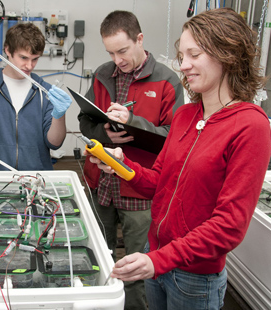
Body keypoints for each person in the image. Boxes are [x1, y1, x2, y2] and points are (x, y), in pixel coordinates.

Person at [85, 8, 271, 310]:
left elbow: (229, 226)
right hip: (157, 261)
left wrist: (158, 259)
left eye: (193, 55)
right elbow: (159, 182)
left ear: (227, 54)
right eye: (181, 56)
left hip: (195, 279)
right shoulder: (186, 115)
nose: (183, 65)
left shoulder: (250, 126)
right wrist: (120, 163)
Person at [78, 10, 184, 310]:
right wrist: (106, 134)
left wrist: (134, 123)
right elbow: (85, 122)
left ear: (140, 39)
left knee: (137, 271)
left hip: (140, 191)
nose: (117, 60)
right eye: (111, 52)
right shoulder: (101, 75)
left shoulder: (167, 81)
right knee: (97, 257)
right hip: (101, 185)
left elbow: (174, 138)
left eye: (122, 51)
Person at [0, 23, 72, 172]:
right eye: (24, 58)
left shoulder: (44, 91)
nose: (29, 65)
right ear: (7, 50)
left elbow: (55, 143)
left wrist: (60, 115)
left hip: (37, 177)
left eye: (35, 59)